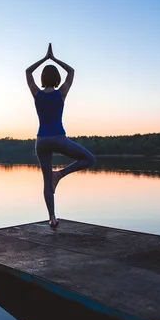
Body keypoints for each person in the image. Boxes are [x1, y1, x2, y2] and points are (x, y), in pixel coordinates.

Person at [26, 43, 96, 228]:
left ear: (42, 78)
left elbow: (27, 72)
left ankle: (52, 217)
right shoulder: (61, 93)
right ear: (57, 78)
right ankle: (60, 175)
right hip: (58, 138)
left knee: (45, 181)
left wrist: (44, 58)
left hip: (41, 141)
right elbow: (71, 71)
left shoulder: (37, 94)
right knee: (90, 159)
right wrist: (54, 58)